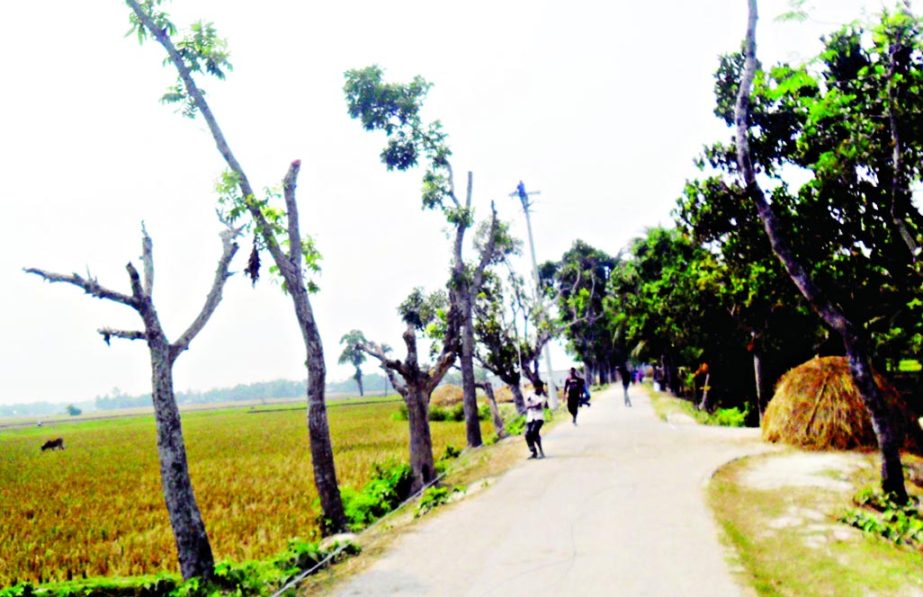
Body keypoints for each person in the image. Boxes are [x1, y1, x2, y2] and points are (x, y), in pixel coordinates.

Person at [524, 382, 546, 459]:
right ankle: (534, 451)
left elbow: (538, 406)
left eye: (540, 387)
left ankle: (541, 451)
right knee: (527, 434)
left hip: (539, 417)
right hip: (530, 417)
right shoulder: (529, 393)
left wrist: (530, 405)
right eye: (536, 387)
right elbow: (527, 404)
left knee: (534, 432)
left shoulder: (543, 397)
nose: (538, 389)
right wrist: (530, 405)